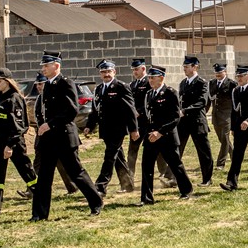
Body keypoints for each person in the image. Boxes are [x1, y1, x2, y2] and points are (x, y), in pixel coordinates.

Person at [32, 51, 103, 220]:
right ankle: (39, 214)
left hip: (64, 137)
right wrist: (43, 126)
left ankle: (96, 202)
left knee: (76, 172)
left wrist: (50, 124)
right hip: (49, 139)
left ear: (56, 66)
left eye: (46, 65)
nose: (43, 69)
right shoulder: (47, 85)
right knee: (44, 176)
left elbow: (71, 110)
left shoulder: (66, 83)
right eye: (43, 66)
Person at [0, 67, 37, 217]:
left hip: (13, 141)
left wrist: (10, 145)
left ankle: (40, 195)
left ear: (7, 81)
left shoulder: (15, 98)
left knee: (26, 171)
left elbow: (20, 126)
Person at [138, 65, 193, 205]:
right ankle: (146, 198)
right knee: (146, 166)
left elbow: (175, 118)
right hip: (151, 136)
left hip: (167, 136)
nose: (150, 80)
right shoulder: (149, 94)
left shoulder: (170, 93)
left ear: (161, 78)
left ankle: (186, 190)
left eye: (153, 77)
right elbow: (148, 116)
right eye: (149, 77)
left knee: (175, 165)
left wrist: (160, 132)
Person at [83, 60, 138, 196]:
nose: (106, 74)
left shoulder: (121, 87)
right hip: (105, 129)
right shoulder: (98, 89)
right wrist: (89, 126)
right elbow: (96, 110)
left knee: (109, 157)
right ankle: (128, 184)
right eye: (103, 72)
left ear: (114, 72)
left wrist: (134, 129)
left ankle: (100, 186)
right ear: (100, 74)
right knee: (118, 157)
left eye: (109, 71)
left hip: (118, 129)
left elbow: (130, 109)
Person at [30, 73, 77, 196]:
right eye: (37, 85)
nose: (38, 87)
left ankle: (73, 187)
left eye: (41, 84)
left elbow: (68, 112)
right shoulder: (39, 98)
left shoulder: (53, 95)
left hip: (55, 133)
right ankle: (33, 190)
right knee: (39, 162)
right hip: (42, 134)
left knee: (66, 164)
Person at [177, 55, 214, 186]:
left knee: (204, 152)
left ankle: (207, 179)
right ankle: (174, 177)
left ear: (195, 67)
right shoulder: (183, 83)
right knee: (177, 149)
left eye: (187, 67)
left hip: (197, 121)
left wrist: (185, 111)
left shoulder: (202, 83)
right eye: (184, 67)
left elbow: (202, 102)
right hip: (183, 122)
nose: (184, 69)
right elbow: (180, 101)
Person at [207, 63, 236, 170]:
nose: (218, 75)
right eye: (216, 73)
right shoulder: (211, 83)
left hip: (227, 116)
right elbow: (208, 100)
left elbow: (235, 102)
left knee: (224, 139)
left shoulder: (232, 84)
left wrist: (236, 117)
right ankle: (235, 156)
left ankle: (220, 163)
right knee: (223, 139)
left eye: (220, 72)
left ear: (225, 72)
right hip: (216, 116)